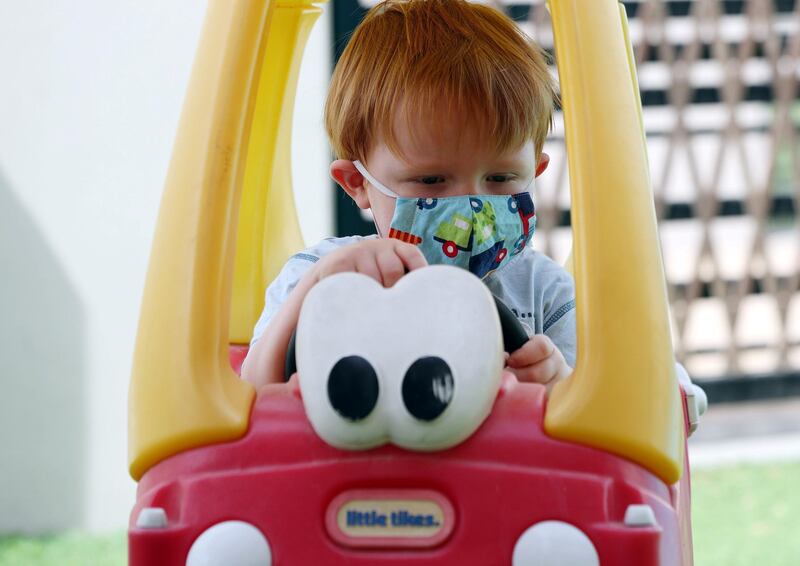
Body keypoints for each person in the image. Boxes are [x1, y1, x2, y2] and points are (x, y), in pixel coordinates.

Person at [242, 0, 575, 391]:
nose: (472, 207)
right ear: (357, 183)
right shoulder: (320, 271)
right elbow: (254, 391)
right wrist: (318, 288)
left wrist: (557, 383)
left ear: (533, 173)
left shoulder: (545, 292)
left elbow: (600, 415)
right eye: (431, 181)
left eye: (501, 178)